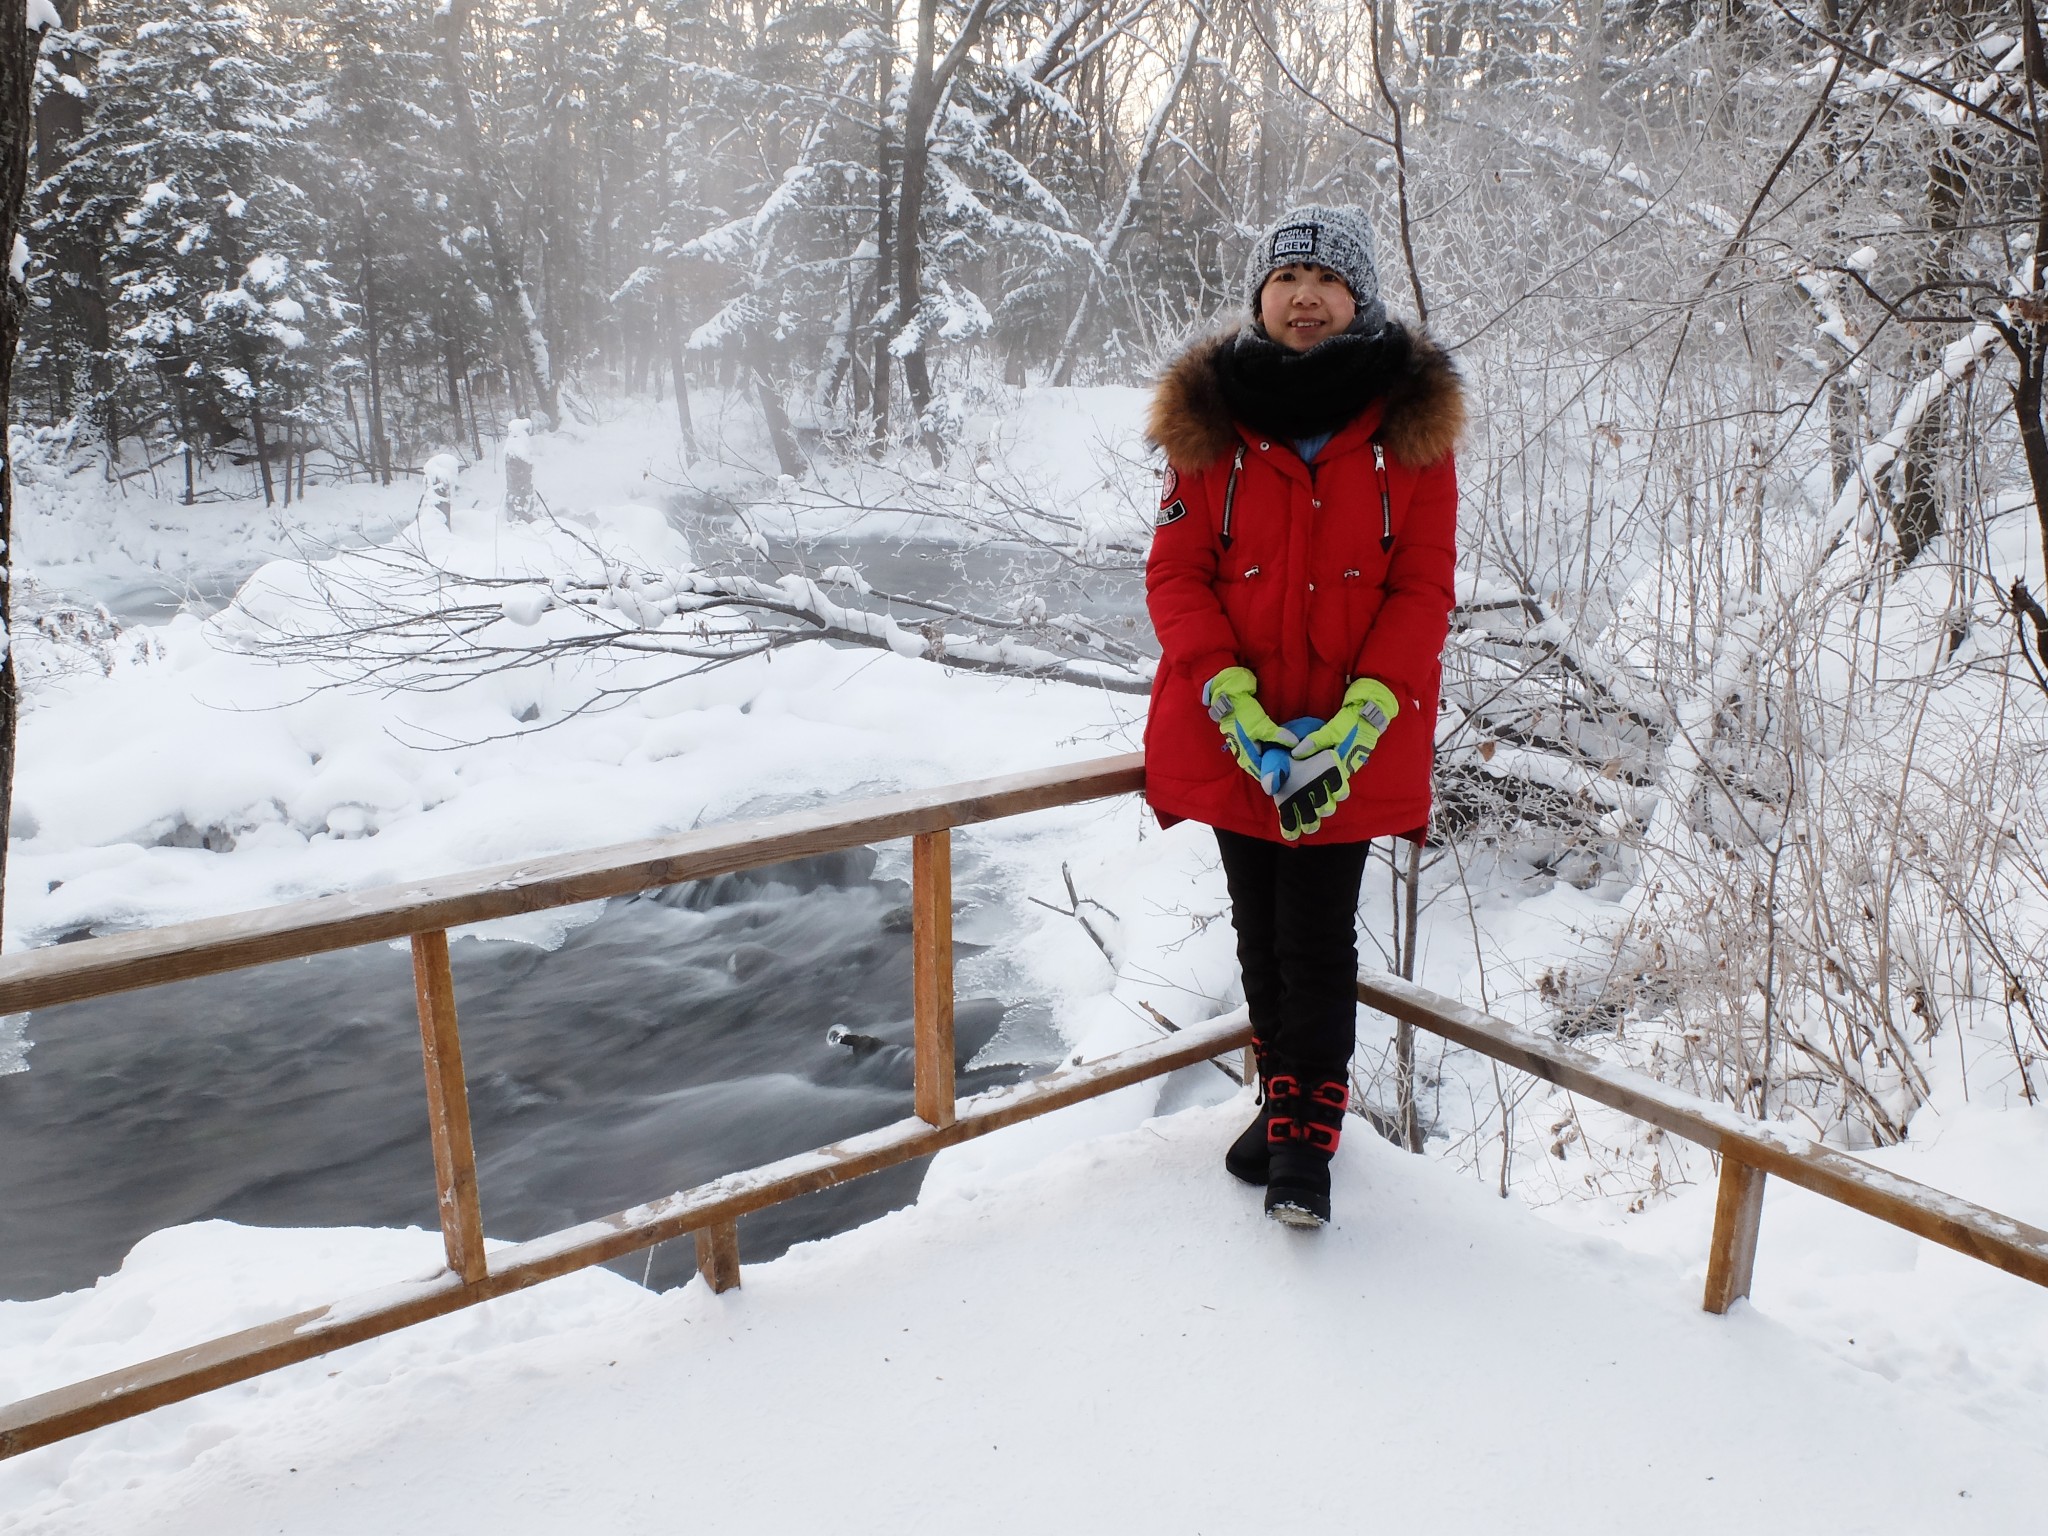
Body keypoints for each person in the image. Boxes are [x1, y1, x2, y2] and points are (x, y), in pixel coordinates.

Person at [1143, 203, 1463, 1227]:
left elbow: (1422, 585)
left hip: (1342, 743)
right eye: (1285, 279)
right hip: (1241, 734)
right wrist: (1225, 693)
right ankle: (1286, 1110)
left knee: (1315, 936)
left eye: (1325, 280)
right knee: (1256, 932)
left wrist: (1370, 707)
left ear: (1357, 299)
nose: (1303, 296)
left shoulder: (1406, 431)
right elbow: (1176, 574)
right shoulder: (1211, 424)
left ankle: (1301, 1152)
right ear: (1260, 298)